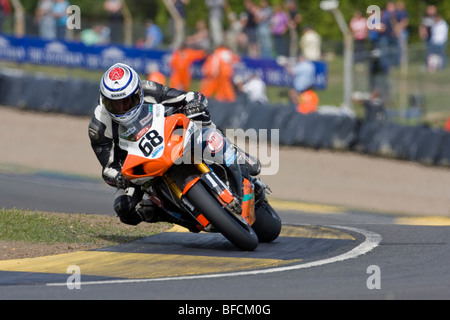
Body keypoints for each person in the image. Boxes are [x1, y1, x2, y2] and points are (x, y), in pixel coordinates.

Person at [88, 63, 260, 226]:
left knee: (200, 116)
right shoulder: (99, 126)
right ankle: (170, 216)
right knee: (123, 208)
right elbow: (108, 167)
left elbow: (186, 96)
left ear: (138, 93)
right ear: (105, 101)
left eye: (127, 101)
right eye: (115, 105)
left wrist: (194, 104)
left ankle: (234, 152)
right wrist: (118, 177)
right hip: (137, 165)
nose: (122, 108)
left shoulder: (149, 89)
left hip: (169, 136)